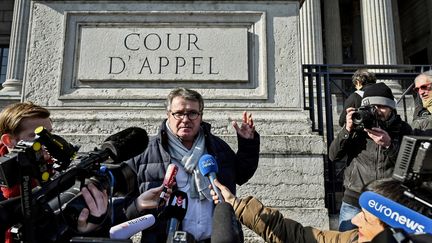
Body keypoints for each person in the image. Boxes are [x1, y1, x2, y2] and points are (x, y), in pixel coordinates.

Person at [124, 87, 260, 242]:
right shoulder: (146, 152)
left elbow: (241, 174)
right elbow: (124, 207)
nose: (186, 119)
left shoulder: (217, 147)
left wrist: (247, 144)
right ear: (168, 115)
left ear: (201, 116)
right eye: (179, 113)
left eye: (192, 113)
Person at [0, 102, 108, 242]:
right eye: (36, 136)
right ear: (9, 140)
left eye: (49, 134)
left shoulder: (61, 172)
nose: (48, 144)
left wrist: (90, 226)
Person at [209, 178, 432, 243]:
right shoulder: (353, 239)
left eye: (365, 216)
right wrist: (237, 205)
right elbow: (300, 237)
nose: (354, 220)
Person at [329, 82, 412, 231]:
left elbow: (408, 167)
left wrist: (388, 145)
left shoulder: (402, 128)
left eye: (382, 106)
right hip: (355, 199)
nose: (377, 111)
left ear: (392, 107)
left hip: (388, 202)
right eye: (372, 107)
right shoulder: (357, 129)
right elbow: (333, 156)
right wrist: (347, 131)